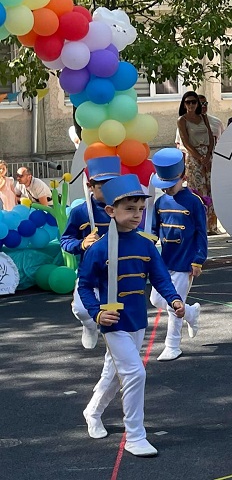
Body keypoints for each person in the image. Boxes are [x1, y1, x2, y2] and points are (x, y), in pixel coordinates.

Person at [78, 174, 185, 457]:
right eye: (129, 209)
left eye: (140, 209)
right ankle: (135, 435)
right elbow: (85, 286)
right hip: (114, 324)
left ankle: (92, 411)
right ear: (111, 212)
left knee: (115, 374)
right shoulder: (99, 248)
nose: (137, 215)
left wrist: (174, 300)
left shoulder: (146, 245)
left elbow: (161, 278)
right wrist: (97, 314)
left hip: (138, 320)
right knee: (134, 373)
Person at [149, 148, 204, 361]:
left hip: (185, 262)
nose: (167, 190)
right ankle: (190, 312)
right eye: (164, 186)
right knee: (156, 299)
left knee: (174, 304)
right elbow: (154, 229)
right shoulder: (161, 203)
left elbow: (201, 234)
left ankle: (172, 345)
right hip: (164, 261)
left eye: (171, 185)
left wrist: (198, 260)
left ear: (184, 177)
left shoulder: (193, 202)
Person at [61, 156, 121, 349]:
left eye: (112, 184)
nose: (108, 189)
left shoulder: (123, 208)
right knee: (81, 309)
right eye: (102, 185)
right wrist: (82, 244)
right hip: (89, 271)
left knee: (120, 317)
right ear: (90, 186)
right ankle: (89, 325)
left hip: (118, 271)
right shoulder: (80, 212)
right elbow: (65, 241)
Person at [177, 91, 218, 234]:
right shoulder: (182, 120)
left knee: (212, 189)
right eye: (188, 102)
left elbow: (210, 136)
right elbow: (186, 142)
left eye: (194, 102)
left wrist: (208, 155)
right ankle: (200, 225)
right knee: (198, 191)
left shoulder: (203, 117)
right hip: (194, 158)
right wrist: (200, 158)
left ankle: (212, 226)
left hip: (207, 154)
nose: (191, 105)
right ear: (184, 104)